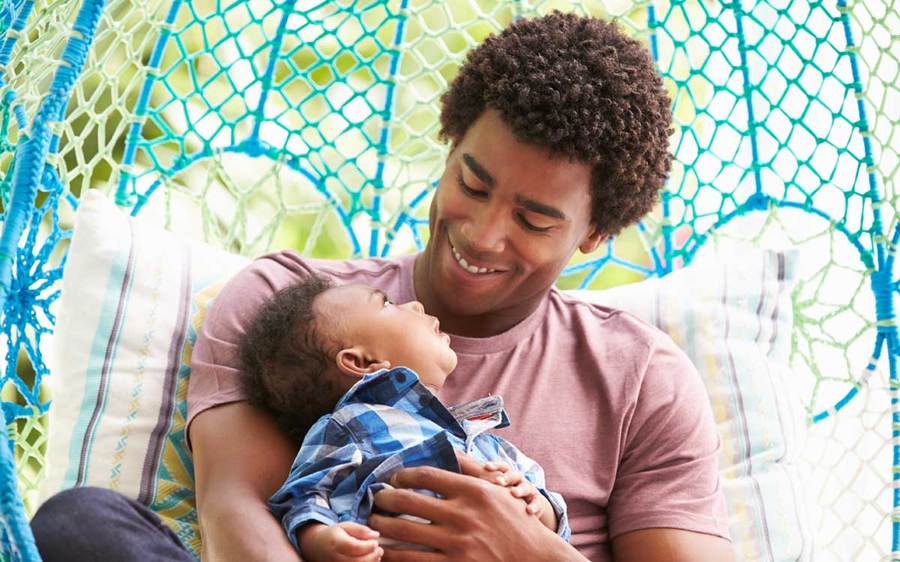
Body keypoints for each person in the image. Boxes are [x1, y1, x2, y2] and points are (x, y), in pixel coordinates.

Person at [32, 12, 733, 562]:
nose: (484, 234)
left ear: (593, 235)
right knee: (80, 523)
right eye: (473, 182)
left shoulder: (642, 380)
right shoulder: (296, 308)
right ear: (450, 144)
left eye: (533, 218)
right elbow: (234, 510)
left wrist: (526, 550)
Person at [237, 276, 568, 561]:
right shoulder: (352, 424)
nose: (415, 305)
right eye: (387, 304)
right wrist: (322, 542)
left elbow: (555, 533)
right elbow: (305, 495)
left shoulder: (484, 438)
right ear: (363, 361)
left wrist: (535, 503)